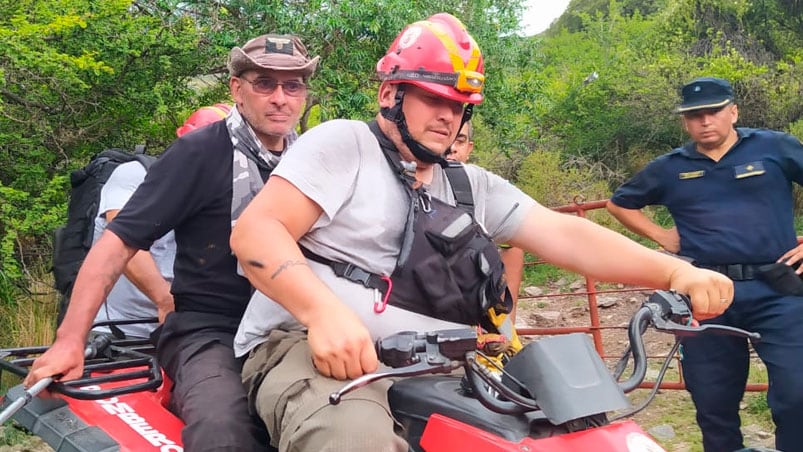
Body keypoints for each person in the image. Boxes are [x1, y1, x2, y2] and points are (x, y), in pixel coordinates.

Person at [230, 15, 733, 451]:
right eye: (431, 97)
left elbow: (564, 234)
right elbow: (257, 232)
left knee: (557, 430)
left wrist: (674, 271)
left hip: (434, 358)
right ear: (390, 93)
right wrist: (323, 315)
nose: (448, 115)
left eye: (460, 103)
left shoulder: (468, 184)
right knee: (353, 441)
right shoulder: (344, 145)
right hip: (304, 343)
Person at [25, 34, 319, 451]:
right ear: (237, 88)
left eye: (293, 86)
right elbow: (118, 242)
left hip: (294, 324)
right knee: (221, 432)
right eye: (264, 83)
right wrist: (69, 341)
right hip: (211, 328)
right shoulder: (199, 152)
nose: (280, 98)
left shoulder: (312, 158)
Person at [606, 76, 803, 452]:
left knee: (798, 393)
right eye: (694, 115)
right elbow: (620, 203)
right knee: (713, 402)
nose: (705, 121)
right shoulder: (671, 167)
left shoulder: (775, 147)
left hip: (779, 290)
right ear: (685, 122)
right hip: (705, 296)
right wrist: (662, 236)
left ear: (733, 111)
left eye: (713, 112)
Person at [91, 104, 231, 340]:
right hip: (120, 332)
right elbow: (122, 239)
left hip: (185, 330)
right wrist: (165, 299)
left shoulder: (227, 191)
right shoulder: (133, 175)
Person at [447, 120, 526, 324]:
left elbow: (512, 247)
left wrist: (507, 323)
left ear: (469, 148)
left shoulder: (483, 188)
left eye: (460, 140)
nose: (452, 148)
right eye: (447, 136)